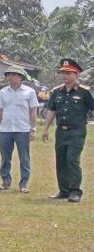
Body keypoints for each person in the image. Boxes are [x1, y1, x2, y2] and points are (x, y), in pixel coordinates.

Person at [41, 58, 94, 203]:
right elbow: (51, 111)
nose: (64, 76)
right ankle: (63, 190)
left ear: (76, 74)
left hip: (77, 131)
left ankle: (75, 191)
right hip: (61, 131)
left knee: (72, 160)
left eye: (68, 73)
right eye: (63, 73)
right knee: (61, 160)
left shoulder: (84, 92)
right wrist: (45, 128)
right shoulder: (57, 92)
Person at [0, 66, 38, 193]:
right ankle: (5, 181)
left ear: (21, 77)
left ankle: (24, 183)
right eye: (8, 75)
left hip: (23, 129)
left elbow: (33, 111)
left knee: (24, 157)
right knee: (5, 157)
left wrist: (33, 129)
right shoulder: (3, 92)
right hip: (6, 129)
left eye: (13, 74)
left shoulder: (29, 92)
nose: (10, 77)